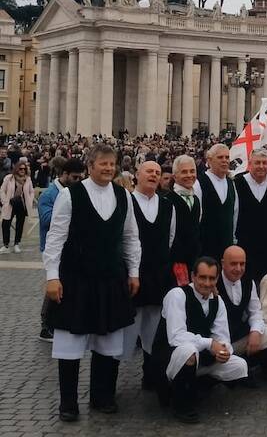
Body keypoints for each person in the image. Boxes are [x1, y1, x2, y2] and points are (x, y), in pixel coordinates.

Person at [43, 144, 141, 422]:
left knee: (108, 340)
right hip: (76, 279)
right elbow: (56, 237)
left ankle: (103, 396)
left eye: (112, 164)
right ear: (90, 165)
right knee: (71, 343)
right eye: (103, 164)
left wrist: (133, 272)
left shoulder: (124, 196)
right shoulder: (69, 195)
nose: (109, 168)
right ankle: (68, 403)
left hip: (111, 278)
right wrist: (52, 276)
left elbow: (131, 238)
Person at [153, 257, 248, 423]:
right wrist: (210, 344)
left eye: (211, 278)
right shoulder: (177, 295)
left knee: (239, 366)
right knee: (188, 351)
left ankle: (197, 387)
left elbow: (223, 337)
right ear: (193, 276)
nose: (207, 283)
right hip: (168, 357)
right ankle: (181, 404)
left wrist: (223, 351)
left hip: (201, 356)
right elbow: (176, 336)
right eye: (202, 277)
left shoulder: (218, 302)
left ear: (217, 279)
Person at [121, 161, 176, 390]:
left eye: (157, 172)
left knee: (154, 328)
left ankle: (151, 374)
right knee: (126, 327)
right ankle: (108, 380)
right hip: (131, 276)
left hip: (158, 275)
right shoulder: (127, 202)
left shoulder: (167, 205)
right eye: (149, 171)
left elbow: (170, 238)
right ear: (137, 175)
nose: (154, 175)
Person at [37, 158, 85, 342]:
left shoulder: (75, 191)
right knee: (53, 284)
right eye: (75, 177)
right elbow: (46, 218)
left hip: (71, 247)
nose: (78, 181)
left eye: (81, 177)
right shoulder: (50, 194)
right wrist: (68, 211)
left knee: (64, 285)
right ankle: (46, 324)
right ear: (64, 175)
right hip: (52, 246)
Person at [218, 246, 267, 385]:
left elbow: (256, 311)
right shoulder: (213, 282)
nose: (239, 268)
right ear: (223, 263)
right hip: (219, 340)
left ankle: (254, 368)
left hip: (238, 334)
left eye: (242, 264)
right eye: (233, 264)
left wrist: (256, 331)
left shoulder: (248, 281)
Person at [234, 149, 267, 281]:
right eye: (257, 163)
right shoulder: (237, 183)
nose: (261, 166)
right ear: (250, 163)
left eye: (264, 163)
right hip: (245, 246)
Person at [194, 144, 238, 260]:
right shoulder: (199, 183)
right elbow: (196, 218)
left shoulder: (231, 184)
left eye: (227, 157)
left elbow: (234, 214)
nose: (224, 161)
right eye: (220, 157)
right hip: (205, 249)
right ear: (209, 160)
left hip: (226, 249)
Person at [168, 155, 201, 285]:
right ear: (175, 176)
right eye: (184, 172)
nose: (189, 175)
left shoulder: (196, 200)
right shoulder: (168, 200)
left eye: (192, 171)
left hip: (194, 261)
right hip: (176, 262)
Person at [0, 161, 34, 253]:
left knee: (20, 224)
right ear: (17, 169)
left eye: (24, 169)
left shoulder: (28, 179)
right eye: (21, 168)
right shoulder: (9, 178)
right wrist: (4, 201)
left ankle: (16, 244)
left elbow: (31, 191)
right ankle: (6, 245)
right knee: (5, 224)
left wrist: (30, 202)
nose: (22, 170)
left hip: (21, 204)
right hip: (10, 203)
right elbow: (2, 190)